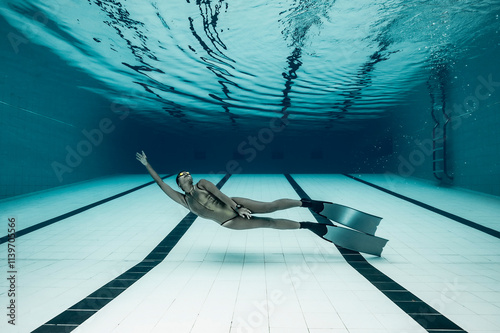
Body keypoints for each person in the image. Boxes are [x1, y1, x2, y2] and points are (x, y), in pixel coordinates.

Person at [135, 151, 329, 237]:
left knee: (269, 206)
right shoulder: (184, 200)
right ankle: (307, 225)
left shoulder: (202, 183)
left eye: (188, 173)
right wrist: (147, 165)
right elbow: (160, 183)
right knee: (268, 223)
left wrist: (237, 207)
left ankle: (306, 204)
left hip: (232, 204)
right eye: (182, 174)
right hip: (229, 222)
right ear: (178, 183)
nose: (186, 174)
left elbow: (219, 194)